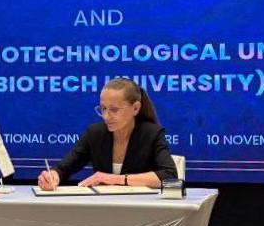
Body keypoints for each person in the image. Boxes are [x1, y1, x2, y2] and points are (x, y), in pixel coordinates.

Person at [38, 78, 177, 190]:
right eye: (103, 109)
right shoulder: (94, 133)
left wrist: (114, 179)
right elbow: (65, 168)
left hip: (142, 208)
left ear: (135, 108)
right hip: (103, 208)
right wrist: (53, 176)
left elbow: (170, 176)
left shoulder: (152, 134)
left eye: (114, 110)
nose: (106, 116)